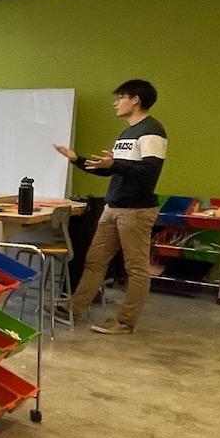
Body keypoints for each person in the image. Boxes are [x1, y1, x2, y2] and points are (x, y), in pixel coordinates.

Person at [54, 79, 167, 335]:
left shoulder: (152, 130)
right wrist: (77, 159)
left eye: (120, 97)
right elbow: (111, 171)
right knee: (95, 260)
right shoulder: (125, 133)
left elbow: (149, 171)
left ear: (135, 99)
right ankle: (74, 308)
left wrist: (113, 165)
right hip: (112, 206)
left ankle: (126, 321)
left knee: (135, 267)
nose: (116, 103)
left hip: (136, 211)